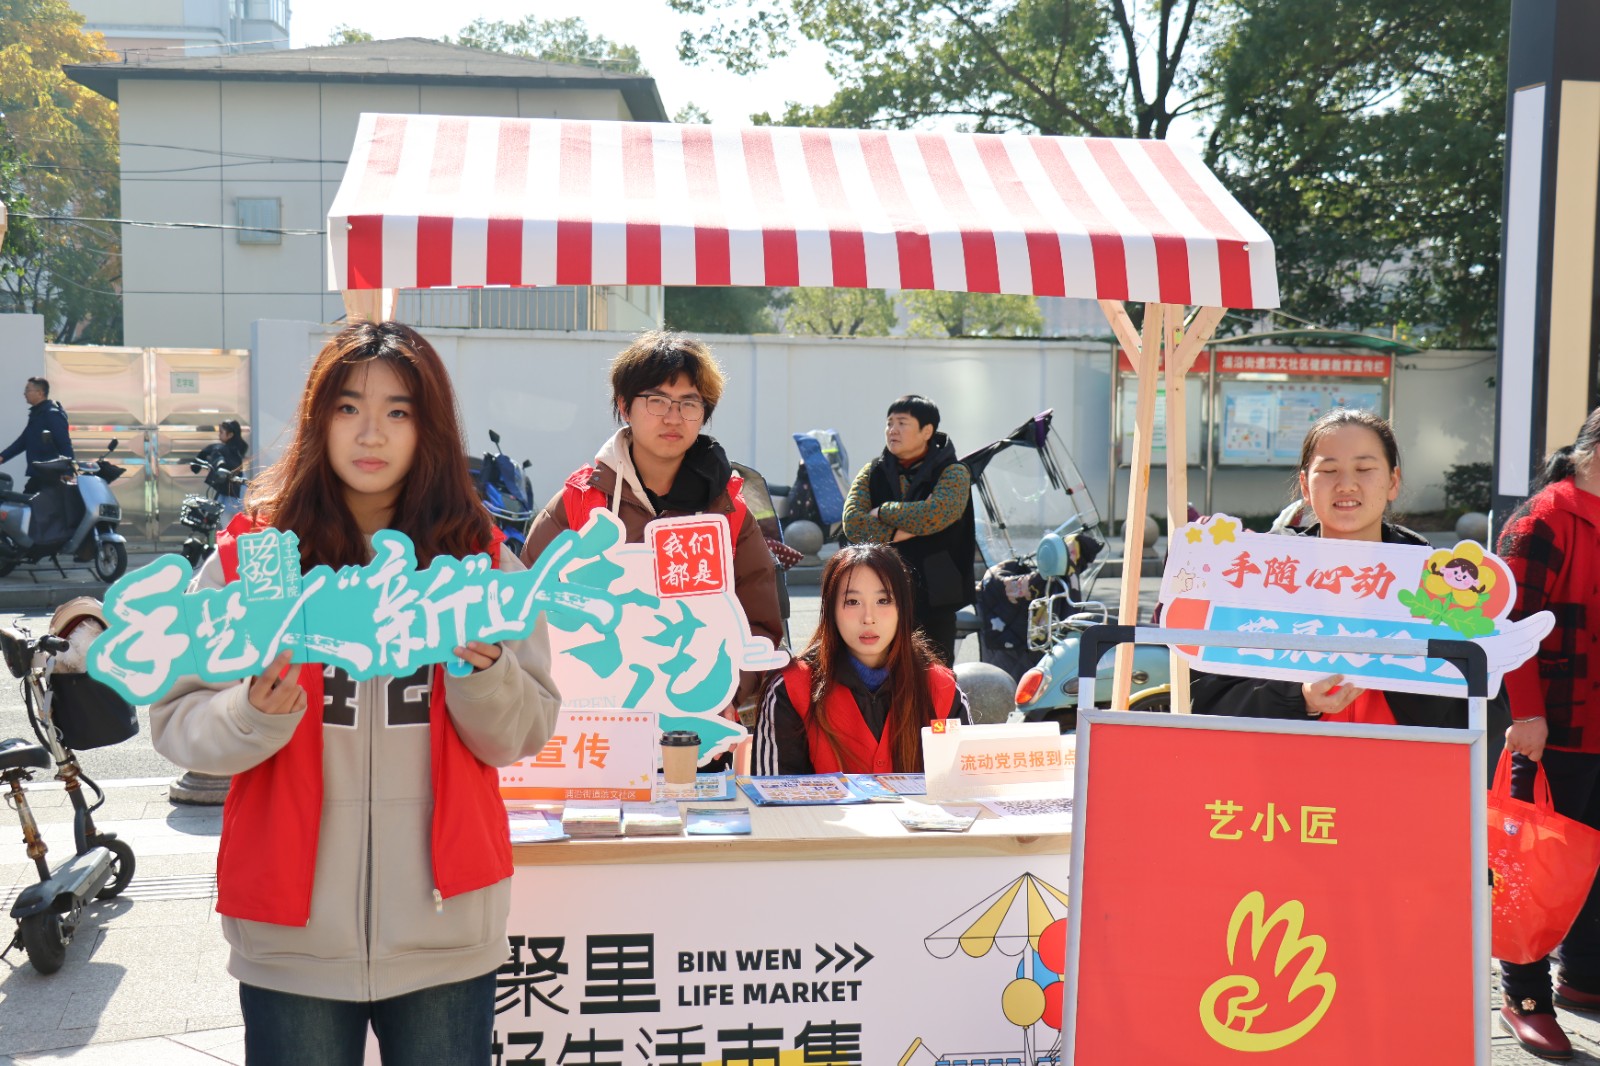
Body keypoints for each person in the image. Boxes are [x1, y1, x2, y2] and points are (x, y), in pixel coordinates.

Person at [150, 322, 562, 1066]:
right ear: (318, 419)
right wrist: (250, 714)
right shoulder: (255, 558)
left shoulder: (480, 564)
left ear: (429, 429)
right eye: (348, 408)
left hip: (447, 932)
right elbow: (177, 721)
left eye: (398, 411)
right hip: (290, 935)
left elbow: (522, 733)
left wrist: (485, 675)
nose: (371, 433)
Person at [519, 330, 782, 718]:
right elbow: (526, 608)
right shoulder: (580, 502)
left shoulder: (727, 511)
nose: (673, 417)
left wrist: (727, 694)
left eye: (689, 403)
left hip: (692, 716)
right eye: (657, 400)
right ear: (625, 406)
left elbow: (760, 623)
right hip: (596, 716)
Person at [1191, 409, 1487, 729]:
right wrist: (1298, 697)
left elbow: (1484, 713)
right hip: (1289, 760)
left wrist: (1396, 665)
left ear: (1393, 481)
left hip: (1404, 760)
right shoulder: (1260, 576)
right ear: (1305, 486)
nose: (1346, 485)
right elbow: (1208, 697)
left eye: (1364, 468)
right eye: (1329, 470)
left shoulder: (1441, 584)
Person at [1495, 405, 1600, 1061]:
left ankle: (1584, 977)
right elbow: (1507, 622)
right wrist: (1526, 712)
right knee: (1532, 870)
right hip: (1552, 729)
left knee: (1594, 862)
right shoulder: (1543, 519)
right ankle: (1524, 997)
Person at [754, 543, 969, 775]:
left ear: (903, 608)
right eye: (852, 602)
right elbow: (773, 792)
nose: (868, 618)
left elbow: (965, 786)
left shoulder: (941, 688)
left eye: (883, 600)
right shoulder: (790, 689)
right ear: (830, 610)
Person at [841, 394, 977, 667]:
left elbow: (935, 515)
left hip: (936, 593)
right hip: (879, 589)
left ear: (927, 431)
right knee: (880, 670)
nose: (892, 430)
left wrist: (882, 511)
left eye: (902, 423)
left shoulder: (953, 472)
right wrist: (898, 532)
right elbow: (853, 523)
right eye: (889, 423)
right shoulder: (873, 471)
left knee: (933, 672)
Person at [1, 376, 73, 493]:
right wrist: (2, 457)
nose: (24, 394)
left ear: (40, 393)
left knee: (30, 501)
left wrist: (68, 472)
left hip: (52, 476)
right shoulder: (37, 414)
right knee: (25, 501)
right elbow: (22, 442)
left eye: (28, 390)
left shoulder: (52, 414)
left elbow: (64, 443)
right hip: (39, 474)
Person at [192, 419, 249, 518]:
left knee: (228, 519)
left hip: (234, 490)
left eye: (221, 432)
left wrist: (220, 466)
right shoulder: (230, 449)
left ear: (230, 435)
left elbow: (219, 460)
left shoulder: (224, 449)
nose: (219, 434)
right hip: (230, 488)